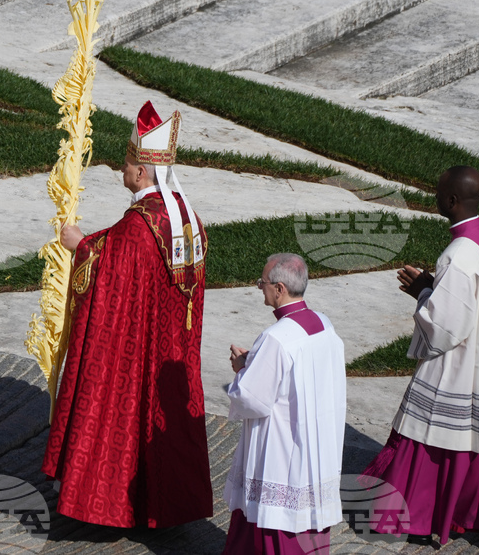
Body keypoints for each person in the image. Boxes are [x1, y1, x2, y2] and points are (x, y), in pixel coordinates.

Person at [41, 102, 213, 528]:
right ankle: (167, 508)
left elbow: (110, 270)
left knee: (122, 409)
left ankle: (112, 506)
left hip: (138, 345)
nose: (122, 170)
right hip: (174, 344)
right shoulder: (187, 219)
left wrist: (79, 244)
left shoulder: (140, 226)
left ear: (141, 172)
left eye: (126, 163)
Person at [361, 165, 479, 545]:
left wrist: (423, 292)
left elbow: (447, 327)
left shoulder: (458, 254)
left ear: (452, 201)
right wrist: (436, 287)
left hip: (457, 365)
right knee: (474, 441)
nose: (434, 195)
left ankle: (414, 515)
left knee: (427, 436)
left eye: (438, 192)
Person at [223, 253, 346, 554]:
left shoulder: (276, 338)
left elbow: (251, 399)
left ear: (279, 289)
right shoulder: (323, 323)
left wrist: (241, 370)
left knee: (276, 527)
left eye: (261, 283)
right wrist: (256, 360)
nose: (259, 288)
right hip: (317, 447)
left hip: (282, 453)